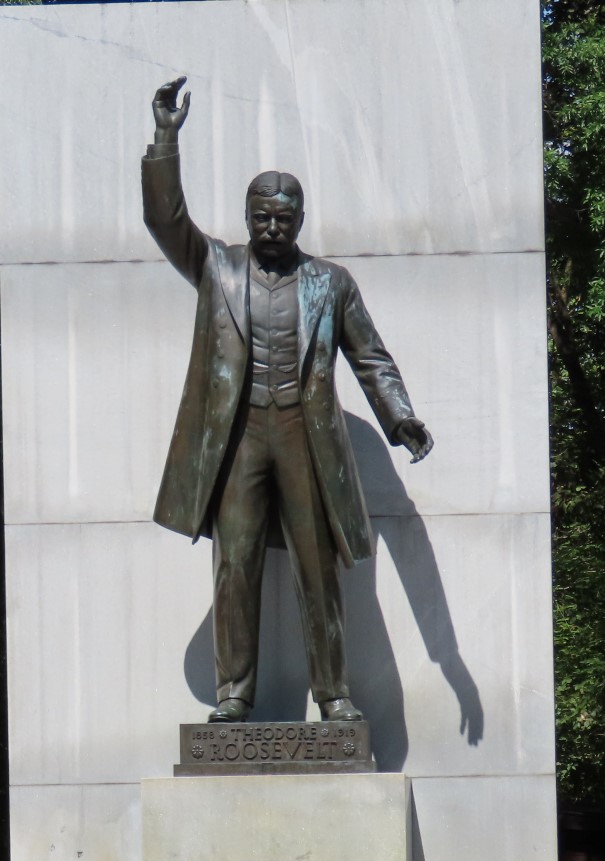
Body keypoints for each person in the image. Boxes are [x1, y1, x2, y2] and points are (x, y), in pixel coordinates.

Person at [142, 76, 433, 725]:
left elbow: (370, 355)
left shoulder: (331, 282)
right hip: (238, 437)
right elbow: (165, 221)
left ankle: (333, 694)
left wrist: (399, 416)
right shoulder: (217, 267)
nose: (271, 228)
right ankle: (233, 693)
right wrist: (165, 139)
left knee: (318, 567)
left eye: (283, 218)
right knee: (234, 564)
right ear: (247, 218)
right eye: (261, 218)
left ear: (300, 220)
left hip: (306, 436)